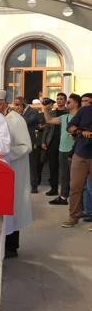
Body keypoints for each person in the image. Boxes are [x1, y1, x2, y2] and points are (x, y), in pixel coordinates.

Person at [0, 89, 32, 258]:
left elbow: (26, 146)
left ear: (1, 104)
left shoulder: (15, 120)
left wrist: (5, 154)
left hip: (15, 169)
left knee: (14, 206)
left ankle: (12, 247)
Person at [42, 94, 81, 206]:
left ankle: (78, 201)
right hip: (62, 149)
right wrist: (46, 109)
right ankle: (63, 197)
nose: (66, 103)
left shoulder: (81, 117)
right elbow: (49, 120)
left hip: (75, 151)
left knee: (76, 177)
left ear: (76, 104)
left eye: (69, 102)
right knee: (64, 175)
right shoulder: (65, 117)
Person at [62, 96, 92, 229]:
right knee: (75, 187)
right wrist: (81, 131)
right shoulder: (84, 111)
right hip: (80, 154)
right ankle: (74, 217)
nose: (86, 103)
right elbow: (69, 127)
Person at [41, 93, 68, 196]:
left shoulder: (68, 112)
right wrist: (44, 141)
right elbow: (47, 128)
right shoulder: (51, 113)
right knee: (53, 166)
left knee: (65, 167)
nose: (59, 100)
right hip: (52, 141)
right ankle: (54, 188)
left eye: (62, 99)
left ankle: (66, 190)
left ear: (65, 101)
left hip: (65, 142)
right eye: (58, 99)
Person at [14, 96, 42, 193]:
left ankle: (34, 186)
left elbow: (28, 121)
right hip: (19, 140)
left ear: (23, 103)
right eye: (15, 104)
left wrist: (20, 114)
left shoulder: (33, 111)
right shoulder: (16, 112)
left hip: (30, 140)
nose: (16, 106)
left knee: (32, 164)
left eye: (18, 104)